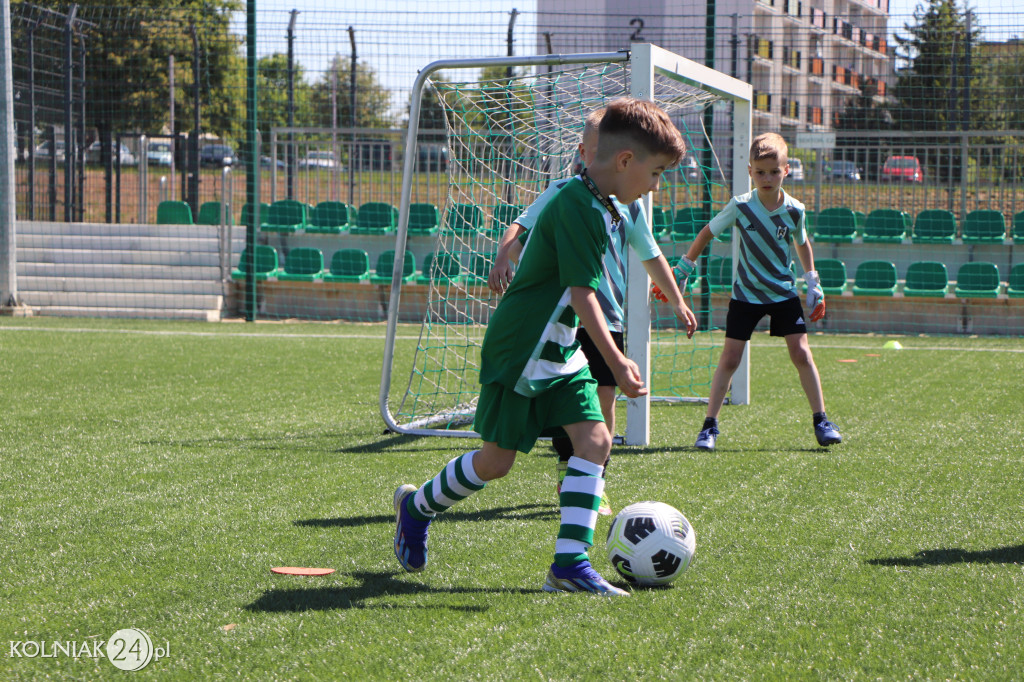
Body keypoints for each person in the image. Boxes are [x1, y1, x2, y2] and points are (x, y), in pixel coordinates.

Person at [393, 98, 687, 595]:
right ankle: (416, 507)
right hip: (521, 348)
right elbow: (582, 293)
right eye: (657, 172)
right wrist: (616, 359)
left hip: (560, 348)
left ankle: (568, 566)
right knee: (495, 462)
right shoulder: (577, 204)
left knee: (595, 441)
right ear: (624, 162)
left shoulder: (607, 203)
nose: (657, 184)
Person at [488, 108, 697, 515]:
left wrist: (678, 300)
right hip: (563, 322)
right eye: (589, 147)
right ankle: (572, 471)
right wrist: (503, 255)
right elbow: (523, 225)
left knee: (604, 400)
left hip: (609, 317)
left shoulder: (629, 206)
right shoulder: (566, 193)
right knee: (523, 437)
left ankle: (591, 482)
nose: (654, 185)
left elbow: (652, 257)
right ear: (588, 152)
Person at [655, 132, 842, 451]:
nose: (766, 177)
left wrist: (813, 281)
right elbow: (707, 233)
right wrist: (684, 268)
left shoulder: (795, 210)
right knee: (730, 358)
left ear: (786, 170)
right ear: (749, 171)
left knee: (801, 353)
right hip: (746, 296)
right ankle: (709, 427)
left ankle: (821, 420)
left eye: (773, 171)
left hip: (783, 294)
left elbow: (802, 242)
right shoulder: (740, 206)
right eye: (759, 171)